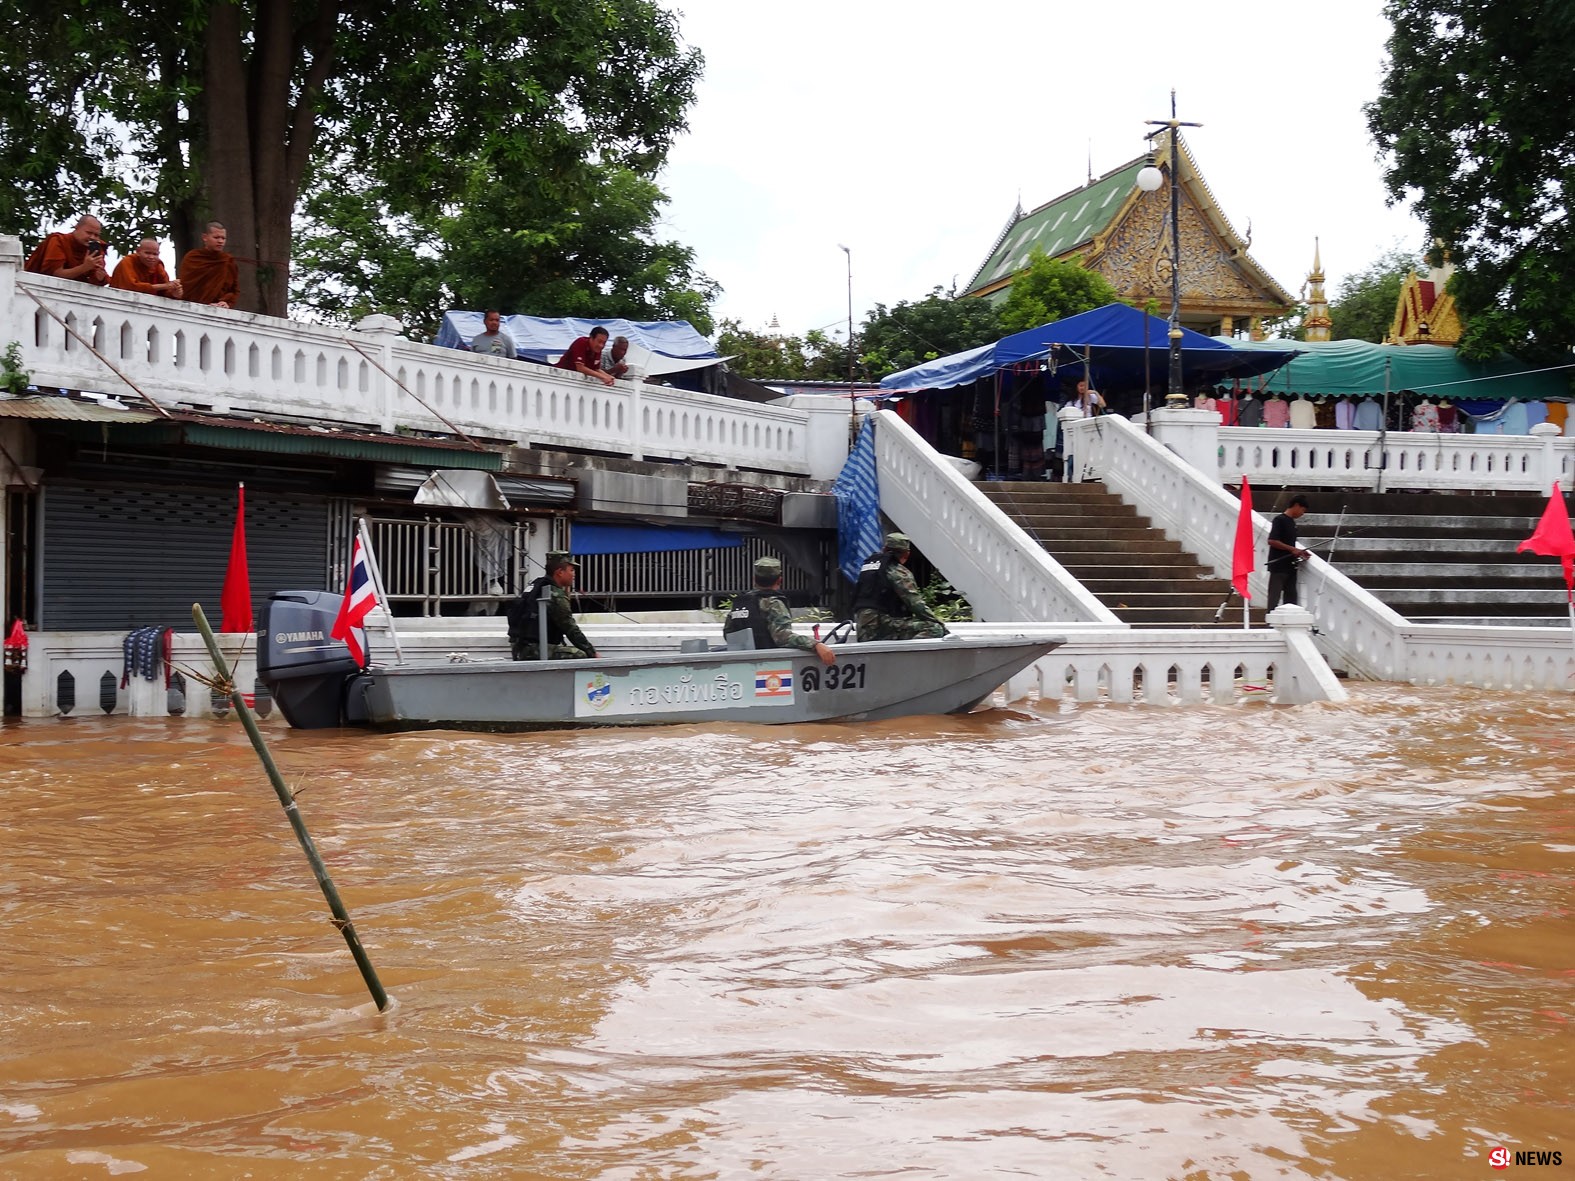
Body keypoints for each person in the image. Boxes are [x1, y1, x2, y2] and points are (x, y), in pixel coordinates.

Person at [723, 556, 836, 666]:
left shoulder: (740, 603)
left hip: (740, 665)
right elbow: (783, 637)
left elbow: (727, 633)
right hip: (768, 666)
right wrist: (816, 645)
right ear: (779, 580)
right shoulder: (774, 604)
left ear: (754, 580)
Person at [851, 533, 946, 641]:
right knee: (934, 628)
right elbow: (916, 605)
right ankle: (910, 657)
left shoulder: (869, 567)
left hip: (864, 630)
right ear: (907, 554)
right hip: (879, 628)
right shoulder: (898, 571)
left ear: (884, 549)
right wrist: (941, 625)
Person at [507, 552, 597, 660]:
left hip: (520, 647)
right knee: (580, 654)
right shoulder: (555, 594)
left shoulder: (535, 586)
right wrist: (591, 652)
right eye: (571, 570)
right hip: (533, 649)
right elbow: (570, 628)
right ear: (559, 572)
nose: (574, 574)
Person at [23, 216, 110, 286]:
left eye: (96, 235)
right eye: (89, 233)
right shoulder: (59, 241)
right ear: (77, 228)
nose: (92, 238)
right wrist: (84, 267)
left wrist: (99, 277)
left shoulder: (96, 248)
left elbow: (96, 280)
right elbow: (55, 274)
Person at [1266, 494, 1313, 611]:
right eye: (1302, 510)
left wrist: (1300, 552)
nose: (1302, 513)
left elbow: (1290, 544)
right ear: (1296, 505)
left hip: (1291, 566)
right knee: (1274, 596)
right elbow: (1272, 540)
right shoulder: (1279, 520)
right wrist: (1292, 549)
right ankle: (1270, 620)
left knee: (1292, 598)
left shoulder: (1292, 523)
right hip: (1278, 566)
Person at [178, 221, 240, 309]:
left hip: (219, 309)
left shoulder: (228, 261)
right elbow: (186, 286)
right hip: (192, 308)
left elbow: (234, 290)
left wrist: (225, 302)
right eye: (216, 237)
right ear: (205, 237)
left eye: (223, 238)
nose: (220, 241)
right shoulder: (193, 258)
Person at [109, 238, 183, 299]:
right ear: (138, 251)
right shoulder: (128, 262)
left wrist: (174, 293)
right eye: (147, 253)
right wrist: (164, 286)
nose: (151, 257)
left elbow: (165, 291)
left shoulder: (158, 265)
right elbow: (130, 287)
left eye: (155, 254)